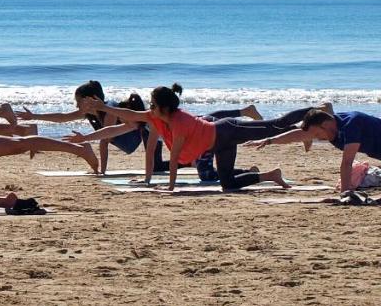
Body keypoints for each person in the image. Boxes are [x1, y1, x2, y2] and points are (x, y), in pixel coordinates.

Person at [77, 84, 306, 191]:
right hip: (220, 145)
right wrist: (102, 106)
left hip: (229, 131)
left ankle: (315, 114)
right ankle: (271, 175)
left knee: (276, 126)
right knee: (227, 184)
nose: (150, 107)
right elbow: (128, 114)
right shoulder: (157, 117)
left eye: (154, 104)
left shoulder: (178, 123)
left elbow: (175, 158)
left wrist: (171, 187)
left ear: (164, 107)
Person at [19, 80, 262, 175]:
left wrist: (102, 172)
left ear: (92, 98)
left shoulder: (108, 111)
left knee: (203, 119)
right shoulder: (88, 112)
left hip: (151, 134)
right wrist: (35, 115)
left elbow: (106, 137)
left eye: (80, 100)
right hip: (144, 134)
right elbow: (62, 117)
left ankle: (243, 112)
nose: (77, 105)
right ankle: (192, 161)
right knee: (200, 122)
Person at [253, 106, 378, 192]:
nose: (317, 138)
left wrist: (344, 192)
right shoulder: (333, 126)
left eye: (317, 135)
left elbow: (347, 163)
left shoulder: (351, 125)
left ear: (325, 125)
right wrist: (269, 141)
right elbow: (299, 134)